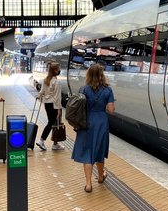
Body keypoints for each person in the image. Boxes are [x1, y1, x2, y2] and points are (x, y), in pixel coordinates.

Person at [71, 64, 115, 193]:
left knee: (87, 152)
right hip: (101, 123)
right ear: (102, 74)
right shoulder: (108, 90)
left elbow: (78, 107)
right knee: (99, 151)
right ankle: (101, 176)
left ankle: (89, 184)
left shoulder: (83, 89)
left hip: (86, 122)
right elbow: (111, 110)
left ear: (88, 74)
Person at [36, 62, 64, 151]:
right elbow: (57, 97)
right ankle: (42, 140)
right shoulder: (56, 82)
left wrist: (40, 98)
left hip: (47, 103)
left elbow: (41, 92)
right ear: (55, 70)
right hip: (53, 104)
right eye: (58, 69)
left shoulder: (46, 80)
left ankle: (55, 143)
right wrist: (59, 109)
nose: (59, 70)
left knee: (54, 122)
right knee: (52, 122)